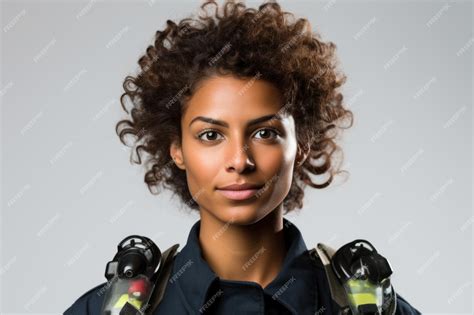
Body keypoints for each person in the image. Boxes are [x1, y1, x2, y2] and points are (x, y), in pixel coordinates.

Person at [64, 0, 422, 314]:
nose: (239, 160)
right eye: (211, 135)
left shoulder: (379, 311)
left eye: (265, 133)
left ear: (302, 145)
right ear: (177, 149)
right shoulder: (100, 311)